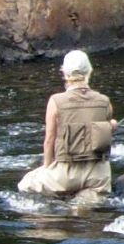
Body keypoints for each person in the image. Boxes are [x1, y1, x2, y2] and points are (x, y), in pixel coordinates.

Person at [17, 50, 118, 204]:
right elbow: (105, 128)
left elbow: (49, 139)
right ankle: (84, 202)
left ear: (64, 73)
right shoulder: (104, 101)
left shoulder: (56, 101)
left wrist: (47, 167)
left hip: (65, 175)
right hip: (98, 175)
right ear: (89, 71)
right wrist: (113, 125)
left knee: (25, 184)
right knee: (84, 205)